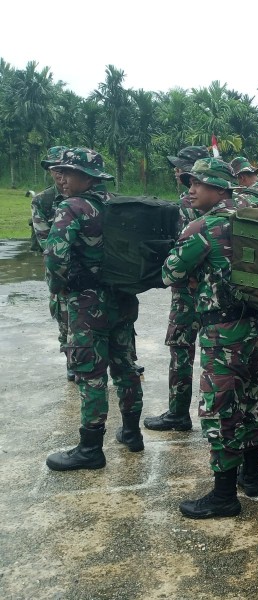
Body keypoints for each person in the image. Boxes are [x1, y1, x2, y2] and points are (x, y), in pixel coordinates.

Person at [162, 157, 258, 518]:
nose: (191, 189)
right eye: (190, 182)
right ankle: (251, 476)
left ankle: (224, 496)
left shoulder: (204, 227)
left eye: (199, 183)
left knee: (220, 409)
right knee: (251, 399)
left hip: (223, 333)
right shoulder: (255, 218)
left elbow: (170, 272)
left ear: (221, 189)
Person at [44, 148, 145, 471]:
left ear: (86, 177)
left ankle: (90, 448)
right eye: (58, 171)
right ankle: (131, 432)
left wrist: (59, 288)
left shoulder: (72, 208)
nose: (60, 177)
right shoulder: (117, 204)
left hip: (87, 303)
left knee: (90, 373)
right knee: (126, 365)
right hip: (124, 299)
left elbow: (56, 257)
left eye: (67, 172)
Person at [144, 146, 210, 432]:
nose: (176, 170)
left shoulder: (187, 203)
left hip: (187, 290)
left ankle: (178, 413)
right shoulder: (228, 205)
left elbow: (183, 249)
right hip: (214, 290)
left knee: (181, 348)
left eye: (182, 166)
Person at [30, 147, 72, 380]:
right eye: (54, 168)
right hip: (60, 268)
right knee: (64, 314)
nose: (59, 173)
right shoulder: (43, 201)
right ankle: (70, 360)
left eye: (63, 168)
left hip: (90, 268)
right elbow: (45, 239)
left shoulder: (85, 195)